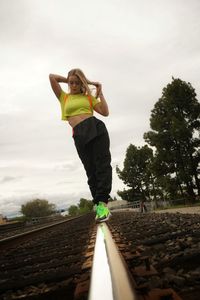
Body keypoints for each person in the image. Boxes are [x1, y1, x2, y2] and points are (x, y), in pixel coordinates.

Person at [49, 68, 112, 222]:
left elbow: (105, 112)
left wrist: (99, 92)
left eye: (77, 82)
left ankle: (102, 206)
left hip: (96, 129)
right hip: (79, 135)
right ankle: (99, 205)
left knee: (102, 166)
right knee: (90, 170)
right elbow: (52, 77)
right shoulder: (63, 97)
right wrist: (84, 81)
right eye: (72, 82)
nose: (74, 85)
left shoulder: (89, 98)